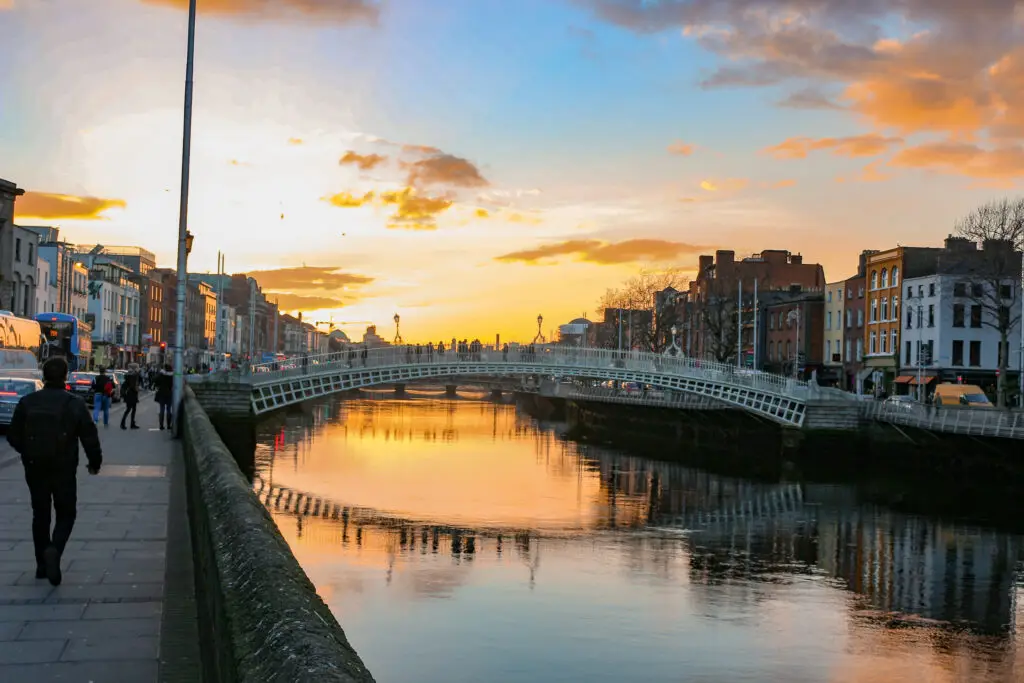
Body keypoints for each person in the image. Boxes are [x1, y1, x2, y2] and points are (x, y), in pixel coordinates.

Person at [6, 357, 102, 586]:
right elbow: (89, 435)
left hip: (35, 466)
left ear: (44, 376)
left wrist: (28, 452)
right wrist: (94, 461)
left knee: (40, 514)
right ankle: (54, 550)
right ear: (66, 376)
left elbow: (13, 435)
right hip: (64, 467)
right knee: (66, 512)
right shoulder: (74, 403)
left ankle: (41, 564)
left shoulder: (28, 402)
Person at [121, 364, 140, 430]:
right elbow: (133, 385)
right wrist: (137, 389)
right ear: (135, 368)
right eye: (137, 367)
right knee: (130, 409)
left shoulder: (129, 374)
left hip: (129, 394)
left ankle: (130, 423)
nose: (138, 368)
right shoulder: (133, 375)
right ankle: (124, 423)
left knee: (131, 409)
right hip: (132, 394)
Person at [155, 364, 174, 430]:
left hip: (162, 393)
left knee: (162, 410)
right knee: (169, 409)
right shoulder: (172, 375)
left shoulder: (161, 375)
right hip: (169, 393)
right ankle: (168, 425)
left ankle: (161, 425)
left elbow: (155, 380)